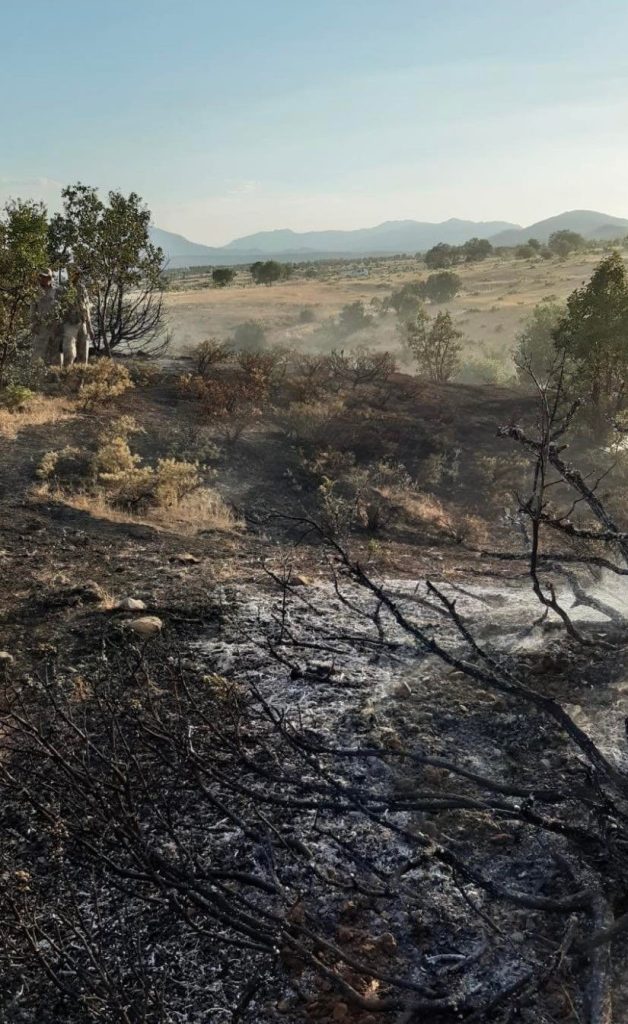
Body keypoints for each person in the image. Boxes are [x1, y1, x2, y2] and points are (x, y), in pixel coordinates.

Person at [61, 268, 93, 366]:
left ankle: (81, 378)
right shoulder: (63, 289)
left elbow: (87, 307)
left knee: (83, 354)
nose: (76, 276)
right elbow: (59, 309)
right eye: (74, 273)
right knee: (69, 354)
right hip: (69, 324)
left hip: (82, 322)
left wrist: (89, 327)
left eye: (78, 274)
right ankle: (67, 377)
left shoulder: (82, 288)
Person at [30, 268, 62, 365]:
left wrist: (59, 325)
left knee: (55, 352)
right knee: (38, 352)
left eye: (46, 277)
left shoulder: (57, 291)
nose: (44, 279)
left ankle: (56, 375)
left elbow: (62, 308)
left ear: (50, 278)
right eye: (42, 277)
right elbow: (32, 309)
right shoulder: (36, 291)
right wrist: (34, 324)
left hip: (54, 326)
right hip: (41, 326)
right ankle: (36, 376)